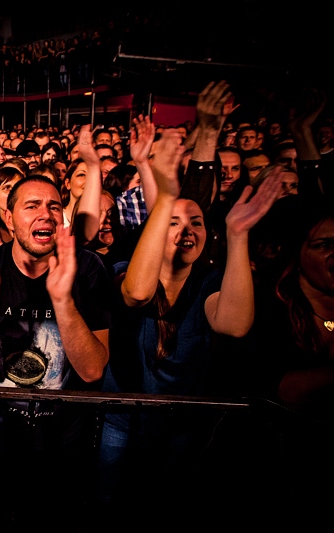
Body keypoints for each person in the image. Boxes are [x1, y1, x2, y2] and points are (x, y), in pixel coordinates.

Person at [93, 129, 283, 527]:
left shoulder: (210, 282)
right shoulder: (124, 270)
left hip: (181, 422)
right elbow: (138, 294)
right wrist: (163, 197)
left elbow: (233, 324)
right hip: (123, 420)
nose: (187, 231)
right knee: (109, 501)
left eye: (195, 222)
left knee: (168, 504)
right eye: (174, 223)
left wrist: (237, 234)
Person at [0, 175, 112, 529]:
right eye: (32, 206)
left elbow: (92, 370)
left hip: (64, 442)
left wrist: (62, 300)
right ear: (9, 218)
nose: (46, 214)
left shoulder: (87, 269)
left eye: (54, 206)